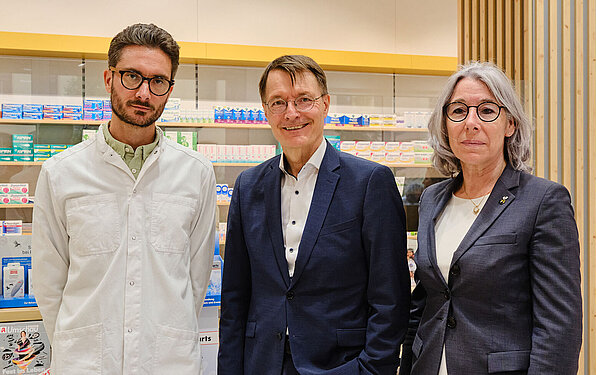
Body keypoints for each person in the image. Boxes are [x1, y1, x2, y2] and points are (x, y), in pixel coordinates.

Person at [32, 23, 216, 374]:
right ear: (109, 78)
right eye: (132, 76)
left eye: (158, 81)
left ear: (169, 89)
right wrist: (73, 346)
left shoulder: (196, 173)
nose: (144, 92)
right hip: (85, 363)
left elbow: (196, 277)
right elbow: (48, 281)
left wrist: (167, 336)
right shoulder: (61, 172)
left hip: (167, 362)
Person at [218, 55, 410, 375]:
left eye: (304, 100)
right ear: (265, 112)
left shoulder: (369, 182)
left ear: (325, 104)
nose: (291, 113)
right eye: (278, 102)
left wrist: (373, 367)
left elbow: (390, 297)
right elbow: (236, 297)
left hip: (342, 366)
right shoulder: (248, 186)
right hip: (261, 362)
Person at [399, 61, 582, 375]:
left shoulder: (543, 201)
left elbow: (558, 327)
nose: (471, 123)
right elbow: (427, 299)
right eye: (458, 111)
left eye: (486, 110)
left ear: (510, 123)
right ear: (444, 123)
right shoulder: (432, 198)